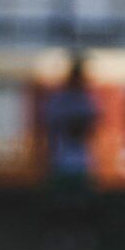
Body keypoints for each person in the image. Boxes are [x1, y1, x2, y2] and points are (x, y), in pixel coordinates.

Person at [42, 56, 98, 196]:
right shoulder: (59, 99)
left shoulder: (86, 99)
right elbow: (51, 126)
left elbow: (91, 126)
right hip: (61, 161)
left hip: (82, 162)